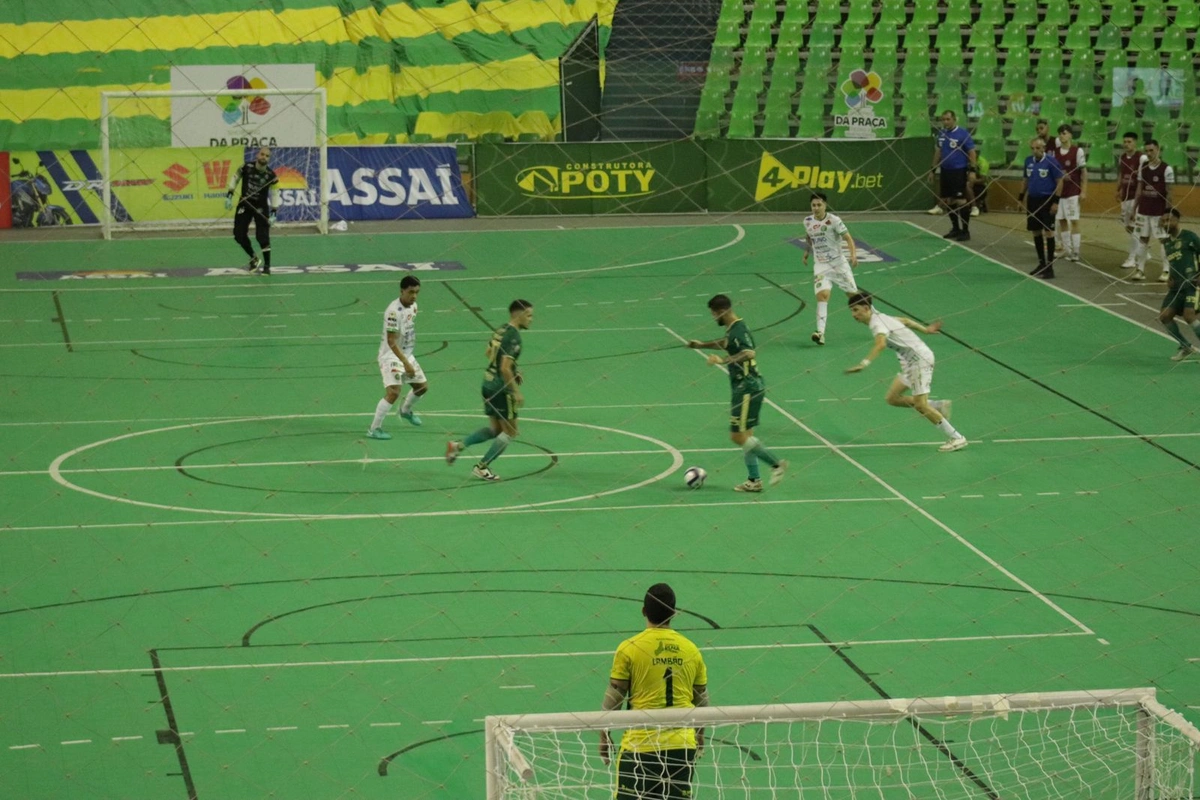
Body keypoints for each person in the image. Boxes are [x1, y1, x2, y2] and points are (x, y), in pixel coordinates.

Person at [598, 583, 709, 800]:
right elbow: (701, 698)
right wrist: (700, 735)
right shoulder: (691, 649)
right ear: (674, 613)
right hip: (681, 747)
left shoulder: (630, 648)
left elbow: (616, 694)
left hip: (641, 747)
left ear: (643, 611)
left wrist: (604, 733)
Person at [845, 292, 967, 453]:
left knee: (920, 405)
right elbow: (905, 321)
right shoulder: (881, 317)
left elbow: (880, 344)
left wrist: (863, 364)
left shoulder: (876, 324)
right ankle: (938, 405)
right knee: (892, 398)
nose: (854, 315)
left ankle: (956, 438)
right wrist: (925, 329)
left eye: (856, 310)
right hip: (909, 362)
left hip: (919, 361)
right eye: (852, 311)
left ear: (866, 308)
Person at [687, 295, 787, 493]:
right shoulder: (735, 327)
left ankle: (776, 464)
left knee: (737, 436)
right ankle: (754, 480)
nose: (713, 318)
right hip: (750, 386)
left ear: (721, 312)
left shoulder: (737, 330)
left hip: (746, 388)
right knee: (747, 435)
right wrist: (701, 345)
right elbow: (726, 342)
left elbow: (750, 352)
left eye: (714, 314)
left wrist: (723, 361)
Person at [445, 299, 534, 481]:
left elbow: (489, 353)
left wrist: (512, 370)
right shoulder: (514, 337)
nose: (531, 319)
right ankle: (482, 466)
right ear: (519, 314)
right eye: (529, 315)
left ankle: (457, 446)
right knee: (510, 431)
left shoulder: (501, 330)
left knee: (495, 430)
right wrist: (515, 390)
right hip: (501, 389)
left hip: (487, 383)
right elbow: (504, 368)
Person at [367, 276, 427, 440]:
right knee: (394, 392)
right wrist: (405, 363)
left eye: (417, 292)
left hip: (406, 354)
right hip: (391, 356)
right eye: (410, 292)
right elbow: (391, 341)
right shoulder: (393, 312)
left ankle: (405, 410)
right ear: (402, 291)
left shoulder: (414, 306)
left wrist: (408, 358)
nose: (414, 296)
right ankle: (374, 429)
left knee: (421, 387)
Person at [802, 192, 858, 346]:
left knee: (854, 298)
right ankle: (820, 333)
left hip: (839, 264)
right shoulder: (807, 221)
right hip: (821, 265)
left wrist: (853, 255)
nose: (816, 208)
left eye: (819, 205)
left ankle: (878, 319)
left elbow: (848, 238)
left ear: (825, 205)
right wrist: (806, 252)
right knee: (823, 295)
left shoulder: (834, 220)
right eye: (813, 205)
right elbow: (809, 237)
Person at [225, 146, 279, 274]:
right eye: (262, 154)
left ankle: (267, 266)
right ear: (257, 155)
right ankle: (253, 258)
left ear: (269, 159)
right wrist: (229, 195)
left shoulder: (271, 175)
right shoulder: (246, 167)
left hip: (261, 208)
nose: (264, 157)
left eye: (267, 156)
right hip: (245, 204)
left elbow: (275, 193)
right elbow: (235, 177)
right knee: (238, 234)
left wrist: (274, 212)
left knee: (262, 237)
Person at [1019, 136, 1065, 279]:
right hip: (1033, 200)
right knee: (1035, 231)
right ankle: (1041, 263)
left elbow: (1060, 181)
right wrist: (1021, 197)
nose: (1035, 151)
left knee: (1049, 231)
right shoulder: (1028, 161)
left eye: (1038, 148)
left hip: (1047, 200)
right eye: (1033, 148)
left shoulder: (1051, 161)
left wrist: (1056, 202)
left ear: (1044, 148)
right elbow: (1025, 180)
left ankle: (1050, 267)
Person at [1158, 209, 1200, 361]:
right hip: (1176, 287)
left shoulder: (1190, 237)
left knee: (1189, 316)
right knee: (1164, 316)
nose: (1165, 223)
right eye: (1163, 221)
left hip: (1192, 285)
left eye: (1169, 220)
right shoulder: (1167, 243)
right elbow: (1175, 263)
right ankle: (1186, 346)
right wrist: (1170, 276)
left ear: (1177, 220)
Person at [930, 110, 977, 241]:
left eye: (948, 119)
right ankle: (955, 228)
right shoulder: (941, 134)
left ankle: (965, 230)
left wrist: (972, 170)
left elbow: (972, 152)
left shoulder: (963, 134)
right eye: (943, 120)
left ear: (954, 119)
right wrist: (932, 170)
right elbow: (938, 152)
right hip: (945, 170)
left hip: (958, 171)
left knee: (961, 201)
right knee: (949, 200)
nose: (945, 122)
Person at [1132, 139, 1174, 283]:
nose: (1149, 153)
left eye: (1152, 150)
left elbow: (1169, 192)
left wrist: (1168, 212)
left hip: (1159, 211)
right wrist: (1134, 208)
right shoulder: (1142, 167)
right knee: (1143, 239)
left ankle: (1166, 270)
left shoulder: (1166, 169)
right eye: (1147, 151)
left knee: (1163, 240)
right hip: (1144, 210)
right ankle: (1140, 270)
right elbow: (1139, 189)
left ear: (1158, 150)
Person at [1052, 125, 1088, 263]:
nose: (1062, 136)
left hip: (1073, 192)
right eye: (1060, 134)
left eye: (1064, 133)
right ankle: (1067, 249)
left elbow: (1084, 172)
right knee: (1061, 220)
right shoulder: (1055, 153)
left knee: (1074, 220)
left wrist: (1083, 191)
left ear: (1070, 135)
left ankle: (1076, 251)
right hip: (1060, 192)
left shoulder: (1077, 151)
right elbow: (1054, 171)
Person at [1117, 132, 1147, 270]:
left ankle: (1132, 258)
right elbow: (1121, 174)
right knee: (1128, 226)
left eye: (1129, 141)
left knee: (1134, 226)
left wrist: (1140, 199)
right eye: (1125, 141)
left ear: (1135, 143)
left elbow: (1144, 179)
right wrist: (1118, 189)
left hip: (1135, 196)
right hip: (1125, 197)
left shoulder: (1141, 158)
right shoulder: (1122, 157)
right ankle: (1142, 248)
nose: (1126, 144)